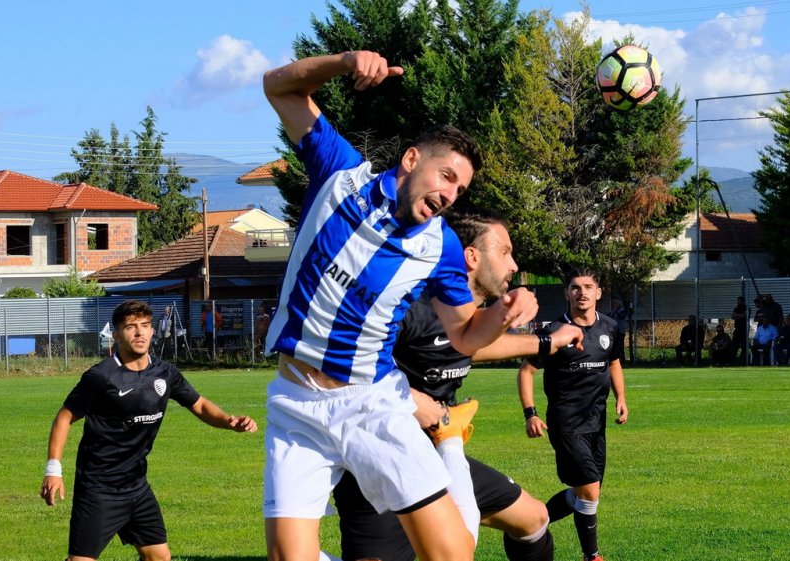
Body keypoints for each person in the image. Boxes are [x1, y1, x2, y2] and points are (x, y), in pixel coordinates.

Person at [261, 50, 538, 561]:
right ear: (412, 160)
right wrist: (345, 62)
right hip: (296, 402)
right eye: (446, 176)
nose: (451, 194)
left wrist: (502, 311)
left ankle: (449, 443)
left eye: (461, 188)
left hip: (371, 402)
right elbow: (278, 87)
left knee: (452, 555)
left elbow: (464, 336)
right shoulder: (339, 175)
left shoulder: (442, 246)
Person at [332, 213, 582, 561]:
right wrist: (411, 400)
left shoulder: (465, 321)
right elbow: (347, 361)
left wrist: (547, 343)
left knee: (534, 518)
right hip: (379, 459)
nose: (514, 265)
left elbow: (473, 346)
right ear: (471, 256)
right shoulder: (413, 305)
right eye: (505, 252)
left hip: (437, 451)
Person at [39, 299, 257, 561]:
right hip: (99, 489)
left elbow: (198, 404)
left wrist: (228, 420)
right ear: (117, 335)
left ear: (153, 331)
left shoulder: (164, 373)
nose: (140, 332)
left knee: (159, 556)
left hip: (137, 486)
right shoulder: (101, 376)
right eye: (131, 327)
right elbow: (64, 417)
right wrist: (54, 470)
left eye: (145, 325)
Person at [517, 268, 629, 561]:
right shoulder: (553, 332)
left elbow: (614, 362)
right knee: (589, 491)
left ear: (598, 293)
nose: (582, 292)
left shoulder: (611, 327)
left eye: (588, 287)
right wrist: (531, 413)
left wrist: (621, 398)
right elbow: (526, 371)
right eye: (576, 287)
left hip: (597, 421)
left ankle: (531, 521)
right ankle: (592, 556)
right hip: (566, 423)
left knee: (586, 493)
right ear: (567, 293)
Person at [731, 296, 748, 365]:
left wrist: (737, 316)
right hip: (737, 329)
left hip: (744, 330)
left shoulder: (746, 308)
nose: (738, 302)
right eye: (738, 301)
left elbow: (744, 316)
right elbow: (732, 316)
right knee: (734, 345)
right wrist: (739, 316)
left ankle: (743, 360)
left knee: (744, 346)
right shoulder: (736, 308)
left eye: (739, 301)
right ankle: (732, 360)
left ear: (743, 301)